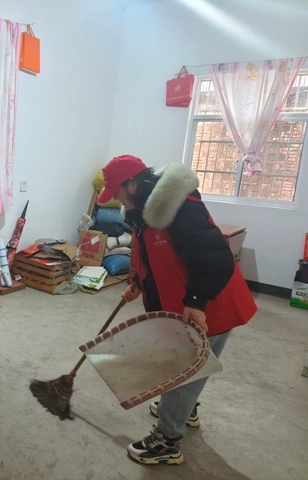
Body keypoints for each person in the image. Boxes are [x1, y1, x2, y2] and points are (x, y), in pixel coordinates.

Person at [96, 154, 257, 466]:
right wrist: (139, 282)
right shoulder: (144, 211)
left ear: (133, 184)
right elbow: (156, 255)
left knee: (181, 372)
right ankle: (186, 409)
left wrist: (196, 302)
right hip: (189, 303)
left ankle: (167, 441)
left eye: (118, 191)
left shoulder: (179, 208)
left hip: (209, 305)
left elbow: (215, 258)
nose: (116, 198)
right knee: (190, 368)